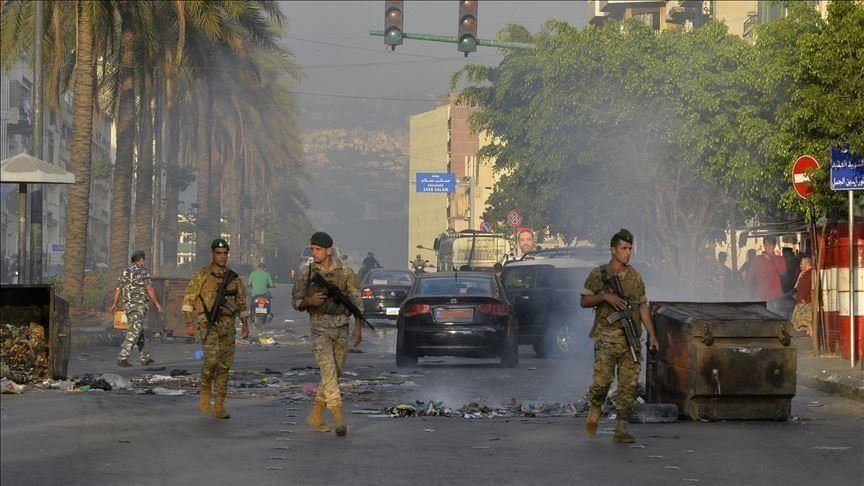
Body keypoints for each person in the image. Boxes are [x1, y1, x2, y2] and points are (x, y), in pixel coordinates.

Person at [580, 229, 660, 444]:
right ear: (613, 250)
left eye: (629, 249)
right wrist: (605, 297)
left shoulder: (635, 277)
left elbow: (642, 307)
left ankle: (621, 427)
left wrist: (652, 335)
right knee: (602, 382)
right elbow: (584, 301)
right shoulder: (599, 274)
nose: (627, 252)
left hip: (630, 341)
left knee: (628, 386)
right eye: (623, 248)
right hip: (606, 339)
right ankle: (595, 408)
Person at [292, 231, 362, 436]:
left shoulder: (346, 272)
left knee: (335, 373)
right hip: (319, 327)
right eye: (312, 249)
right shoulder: (306, 273)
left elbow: (357, 302)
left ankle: (316, 414)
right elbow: (296, 301)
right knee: (328, 370)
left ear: (328, 250)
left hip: (341, 327)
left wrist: (358, 328)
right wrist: (309, 301)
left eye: (318, 249)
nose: (314, 253)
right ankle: (338, 417)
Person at [182, 239, 249, 419]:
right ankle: (205, 386)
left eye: (225, 253)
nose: (222, 256)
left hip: (228, 326)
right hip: (208, 324)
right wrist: (189, 323)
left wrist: (245, 324)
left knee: (224, 365)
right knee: (211, 361)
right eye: (219, 253)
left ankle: (219, 405)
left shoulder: (234, 278)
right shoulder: (202, 275)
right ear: (212, 254)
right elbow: (189, 299)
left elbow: (241, 302)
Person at [109, 250, 163, 367]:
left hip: (127, 306)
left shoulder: (125, 271)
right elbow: (149, 288)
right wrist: (157, 304)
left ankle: (145, 357)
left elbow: (118, 288)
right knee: (134, 331)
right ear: (141, 260)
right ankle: (123, 357)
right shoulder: (143, 271)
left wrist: (114, 304)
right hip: (138, 306)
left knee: (138, 330)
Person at [745, 237, 787, 314]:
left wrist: (772, 259)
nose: (769, 247)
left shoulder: (780, 259)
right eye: (767, 245)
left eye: (771, 245)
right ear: (764, 245)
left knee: (775, 317)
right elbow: (749, 278)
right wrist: (748, 295)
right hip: (760, 296)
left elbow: (782, 273)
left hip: (775, 297)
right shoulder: (757, 259)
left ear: (774, 246)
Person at [791, 257, 814, 336]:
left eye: (801, 264)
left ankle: (810, 337)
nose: (800, 266)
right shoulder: (804, 274)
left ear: (806, 263)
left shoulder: (810, 273)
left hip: (806, 304)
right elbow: (796, 287)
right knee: (799, 323)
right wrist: (800, 276)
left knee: (805, 323)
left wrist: (804, 299)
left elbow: (808, 288)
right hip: (801, 303)